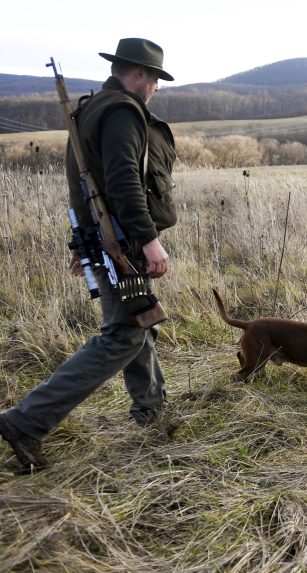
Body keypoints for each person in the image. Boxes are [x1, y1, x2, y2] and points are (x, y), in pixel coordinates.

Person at [0, 38, 177, 471]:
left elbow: (85, 187)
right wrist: (148, 237)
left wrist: (83, 243)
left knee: (139, 322)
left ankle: (150, 411)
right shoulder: (122, 113)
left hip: (104, 237)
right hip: (122, 243)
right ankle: (25, 423)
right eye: (154, 79)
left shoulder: (90, 108)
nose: (155, 88)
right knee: (123, 334)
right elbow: (122, 182)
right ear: (139, 74)